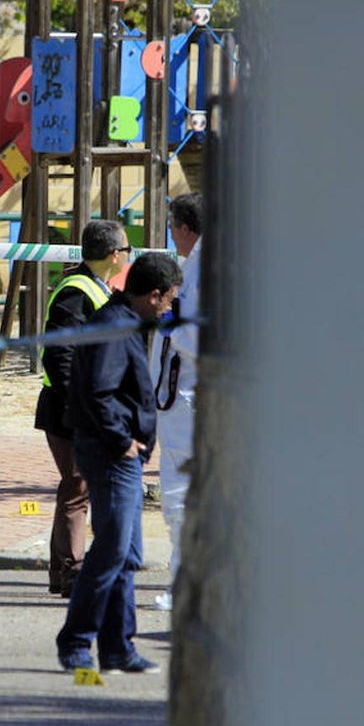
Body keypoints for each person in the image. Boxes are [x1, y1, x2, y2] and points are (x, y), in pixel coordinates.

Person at [56, 251, 182, 674]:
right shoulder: (113, 327)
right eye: (168, 301)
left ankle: (117, 647)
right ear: (153, 295)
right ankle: (76, 641)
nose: (168, 309)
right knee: (111, 552)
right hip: (111, 455)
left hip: (118, 452)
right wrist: (122, 439)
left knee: (126, 554)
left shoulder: (120, 321)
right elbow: (96, 390)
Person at [35, 220, 129, 598]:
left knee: (75, 487)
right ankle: (73, 573)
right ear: (113, 255)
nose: (128, 256)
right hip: (68, 408)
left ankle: (63, 572)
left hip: (72, 406)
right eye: (126, 250)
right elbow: (59, 357)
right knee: (78, 487)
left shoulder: (96, 288)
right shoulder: (77, 292)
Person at [150, 192, 204, 611]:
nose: (171, 233)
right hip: (179, 401)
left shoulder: (203, 268)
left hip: (187, 403)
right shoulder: (198, 265)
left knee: (181, 499)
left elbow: (203, 338)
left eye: (172, 225)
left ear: (186, 229)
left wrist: (171, 325)